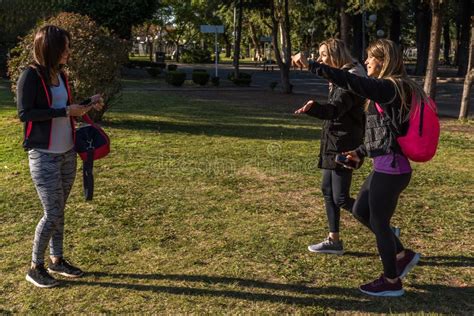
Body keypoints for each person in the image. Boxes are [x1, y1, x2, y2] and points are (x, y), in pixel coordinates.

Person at [294, 39, 422, 297]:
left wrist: (312, 65)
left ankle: (391, 281)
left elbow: (354, 83)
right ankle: (403, 254)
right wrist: (359, 151)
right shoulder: (390, 90)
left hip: (393, 169)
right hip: (384, 165)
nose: (365, 62)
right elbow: (384, 133)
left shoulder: (390, 87)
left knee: (378, 221)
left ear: (383, 61)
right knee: (361, 209)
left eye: (370, 58)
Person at [16, 25, 103, 288]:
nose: (68, 52)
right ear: (50, 49)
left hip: (67, 153)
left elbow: (66, 109)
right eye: (64, 47)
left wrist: (88, 102)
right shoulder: (29, 76)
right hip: (43, 155)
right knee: (52, 211)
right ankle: (35, 267)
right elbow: (25, 114)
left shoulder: (61, 76)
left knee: (59, 210)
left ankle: (57, 259)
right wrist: (65, 111)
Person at [294, 39, 366, 255]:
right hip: (333, 141)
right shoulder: (340, 76)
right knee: (328, 191)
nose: (320, 59)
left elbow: (334, 111)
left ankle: (385, 229)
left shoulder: (352, 78)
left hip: (345, 145)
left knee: (341, 198)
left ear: (336, 55)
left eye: (324, 55)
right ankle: (333, 240)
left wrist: (313, 108)